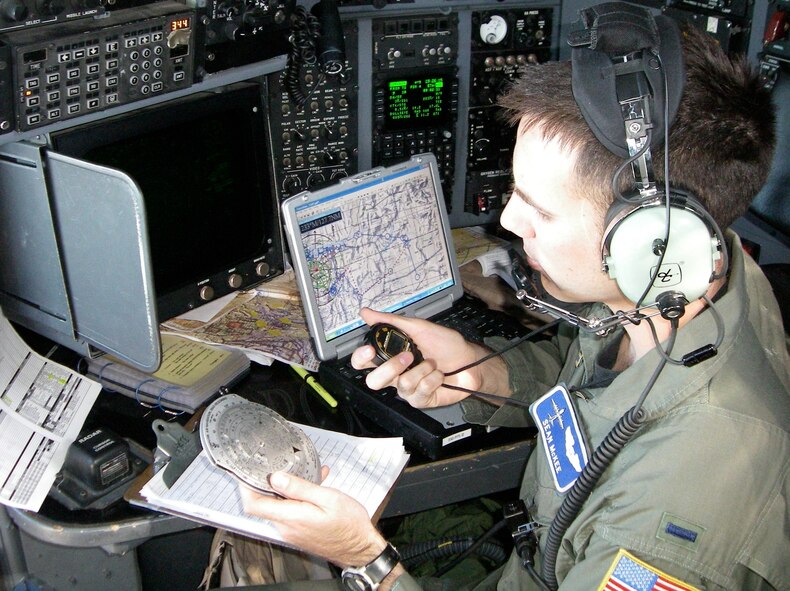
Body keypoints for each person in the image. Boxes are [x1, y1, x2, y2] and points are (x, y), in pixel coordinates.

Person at [234, 7, 789, 591]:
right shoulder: (691, 274)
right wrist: (484, 375)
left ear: (649, 239)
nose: (505, 218)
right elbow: (590, 379)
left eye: (539, 209)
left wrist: (364, 557)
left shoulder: (673, 510)